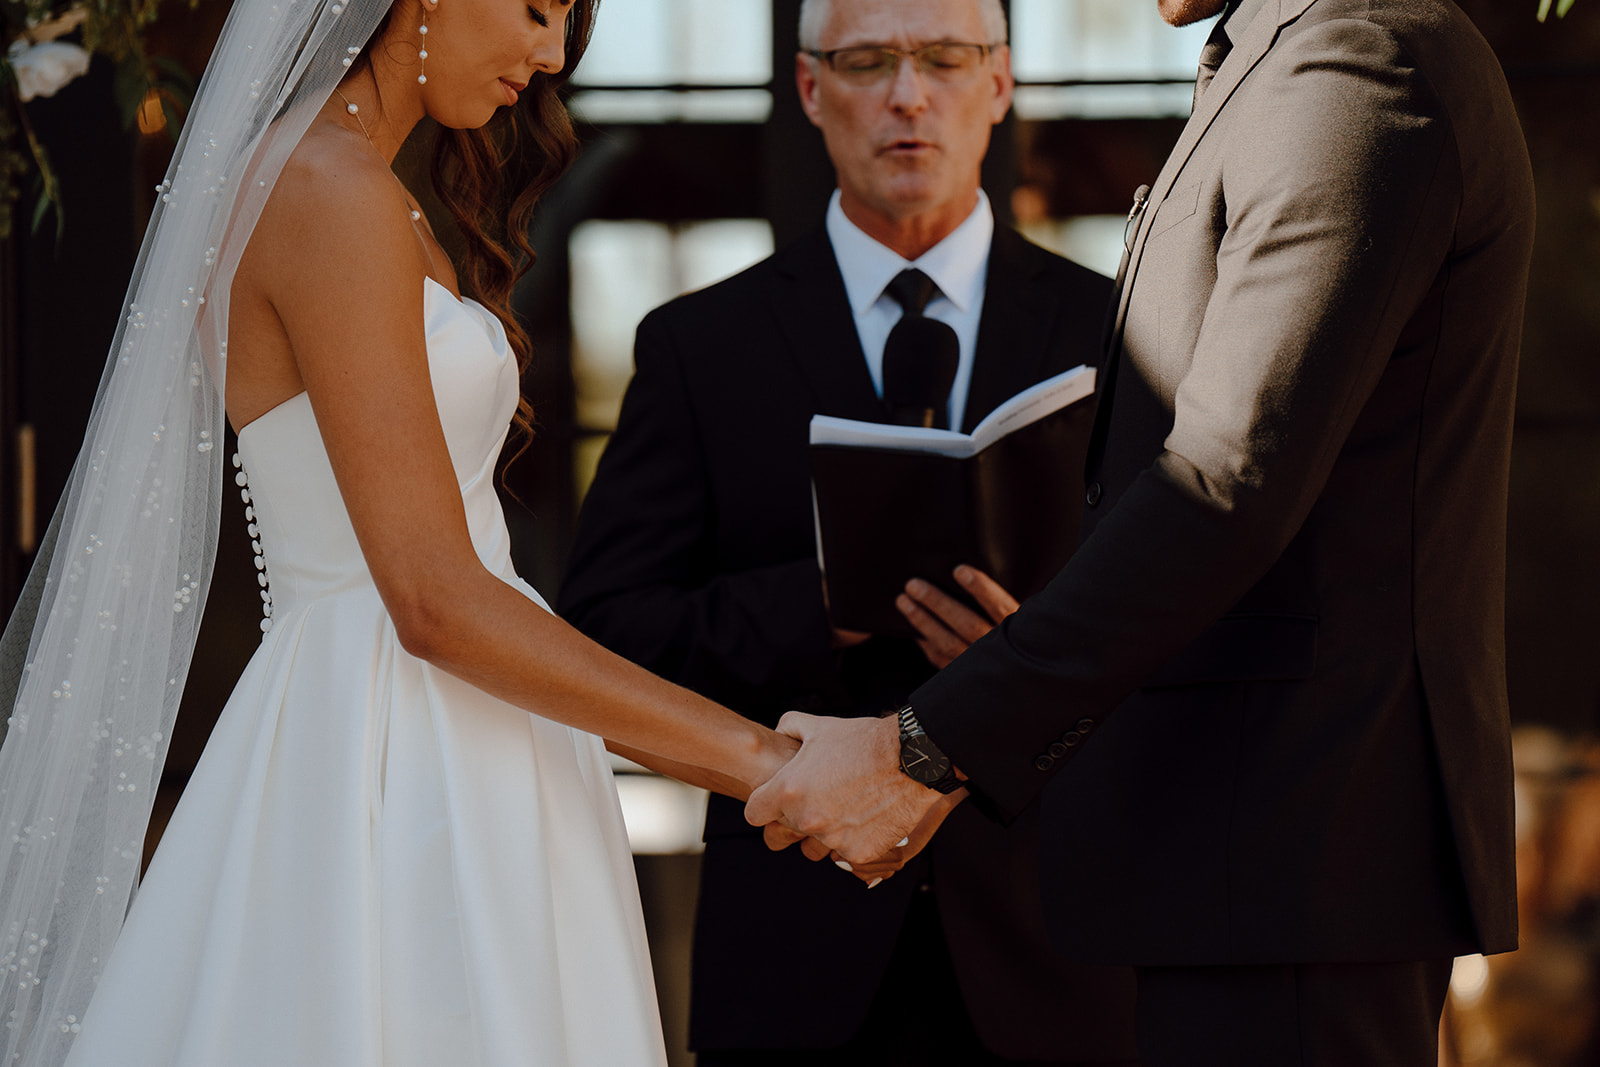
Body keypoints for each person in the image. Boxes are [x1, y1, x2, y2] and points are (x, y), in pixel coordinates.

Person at [0, 0, 803, 1064]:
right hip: (390, 748)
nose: (553, 53)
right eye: (533, 8)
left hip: (462, 720)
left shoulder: (374, 193)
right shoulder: (325, 192)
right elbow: (429, 596)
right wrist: (769, 761)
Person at [746, 0, 1537, 1064]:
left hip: (1291, 857)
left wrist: (926, 745)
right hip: (1232, 870)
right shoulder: (1276, 60)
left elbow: (1224, 479)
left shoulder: (1360, 60)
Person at [558, 1, 1137, 1064]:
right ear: (811, 89)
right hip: (792, 957)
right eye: (867, 61)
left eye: (945, 59)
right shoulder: (699, 346)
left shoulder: (1114, 331)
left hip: (1064, 956)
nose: (908, 95)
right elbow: (604, 638)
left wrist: (1032, 660)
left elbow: (1187, 626)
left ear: (999, 84)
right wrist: (825, 602)